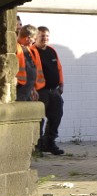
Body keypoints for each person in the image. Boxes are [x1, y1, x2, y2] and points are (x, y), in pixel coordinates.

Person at [34, 26, 65, 155]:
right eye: (42, 36)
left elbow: (59, 68)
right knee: (39, 119)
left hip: (54, 91)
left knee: (56, 116)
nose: (44, 38)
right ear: (36, 37)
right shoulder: (32, 51)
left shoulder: (52, 50)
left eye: (46, 36)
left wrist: (61, 83)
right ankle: (37, 145)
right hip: (40, 91)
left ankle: (49, 143)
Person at [16, 23, 44, 104]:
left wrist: (33, 89)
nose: (34, 41)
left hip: (27, 91)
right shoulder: (15, 48)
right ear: (28, 38)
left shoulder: (28, 49)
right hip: (19, 91)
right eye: (33, 39)